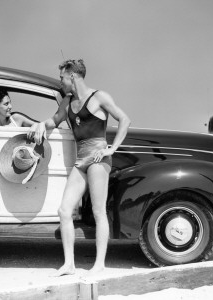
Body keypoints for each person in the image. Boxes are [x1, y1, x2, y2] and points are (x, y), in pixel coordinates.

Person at [27, 59, 131, 277]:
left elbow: (124, 119)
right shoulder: (67, 101)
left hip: (97, 158)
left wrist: (112, 149)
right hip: (80, 160)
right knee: (64, 211)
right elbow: (52, 121)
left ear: (72, 76)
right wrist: (37, 124)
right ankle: (69, 264)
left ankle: (100, 264)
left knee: (98, 211)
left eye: (62, 78)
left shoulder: (99, 96)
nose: (61, 82)